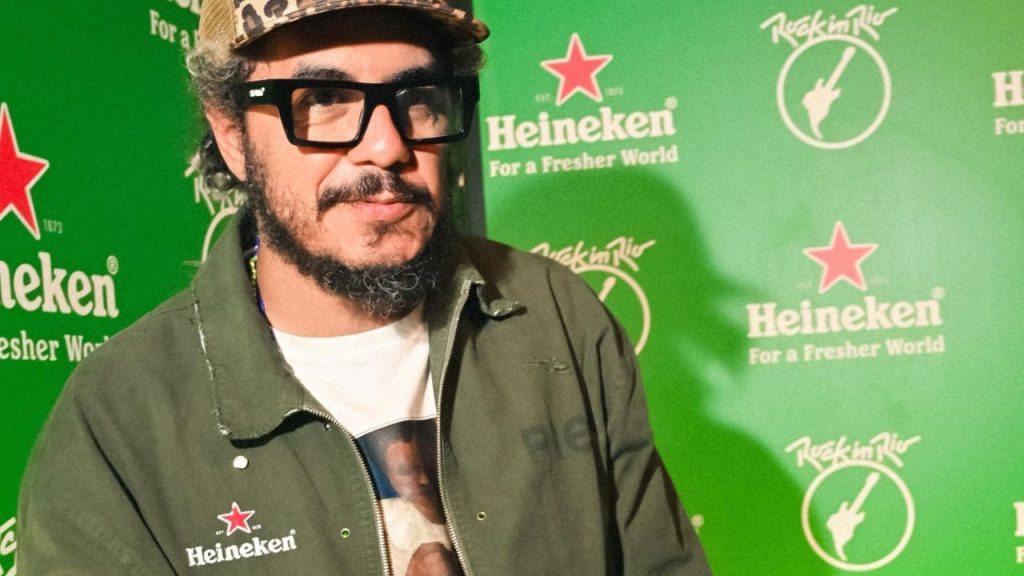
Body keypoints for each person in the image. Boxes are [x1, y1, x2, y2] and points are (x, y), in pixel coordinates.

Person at [18, 1, 711, 574]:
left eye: (418, 99)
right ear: (230, 134)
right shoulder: (117, 421)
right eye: (323, 98)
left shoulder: (557, 317)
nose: (387, 146)